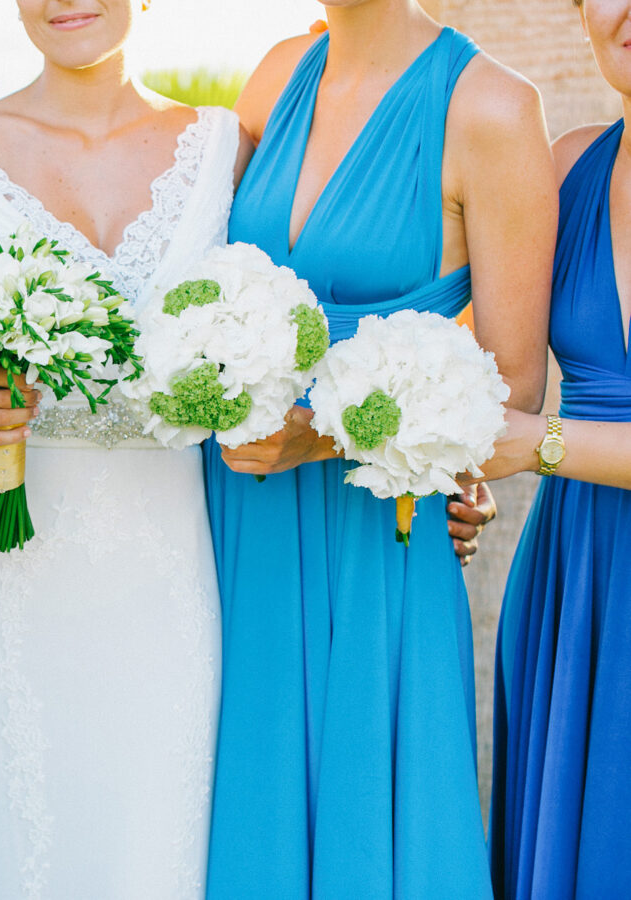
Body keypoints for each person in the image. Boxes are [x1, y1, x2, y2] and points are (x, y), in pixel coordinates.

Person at [0, 0, 251, 894]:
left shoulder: (223, 147)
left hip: (171, 561)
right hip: (0, 569)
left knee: (155, 833)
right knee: (4, 831)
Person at [201, 1, 556, 895]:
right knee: (241, 808)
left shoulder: (490, 108)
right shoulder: (276, 72)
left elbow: (509, 390)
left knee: (373, 827)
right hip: (235, 517)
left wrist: (317, 438)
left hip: (376, 532)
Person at [485, 1, 631, 894]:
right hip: (576, 580)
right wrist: (449, 466)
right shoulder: (568, 165)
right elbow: (473, 368)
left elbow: (524, 432)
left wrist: (530, 443)